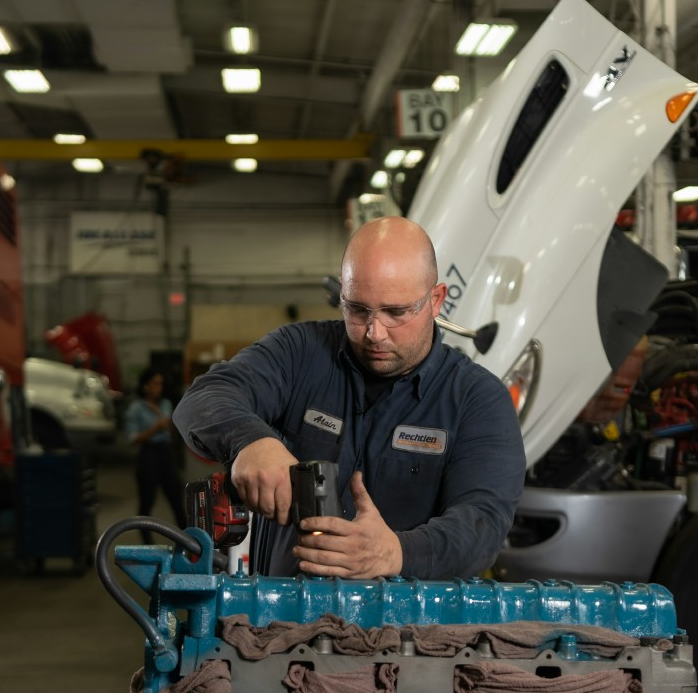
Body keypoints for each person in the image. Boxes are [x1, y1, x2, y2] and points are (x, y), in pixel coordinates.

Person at [173, 215, 526, 579]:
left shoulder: (478, 400)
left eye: (395, 312)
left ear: (435, 300)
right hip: (278, 623)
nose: (374, 332)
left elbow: (483, 522)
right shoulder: (299, 354)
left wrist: (397, 553)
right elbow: (205, 396)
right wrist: (250, 442)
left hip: (408, 630)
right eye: (357, 309)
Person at [124, 369, 188, 529]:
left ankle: (189, 542)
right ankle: (146, 543)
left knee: (176, 498)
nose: (159, 387)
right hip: (149, 454)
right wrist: (155, 428)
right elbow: (132, 439)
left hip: (166, 453)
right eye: (155, 383)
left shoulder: (165, 404)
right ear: (146, 386)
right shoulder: (136, 408)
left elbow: (173, 431)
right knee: (147, 502)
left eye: (161, 384)